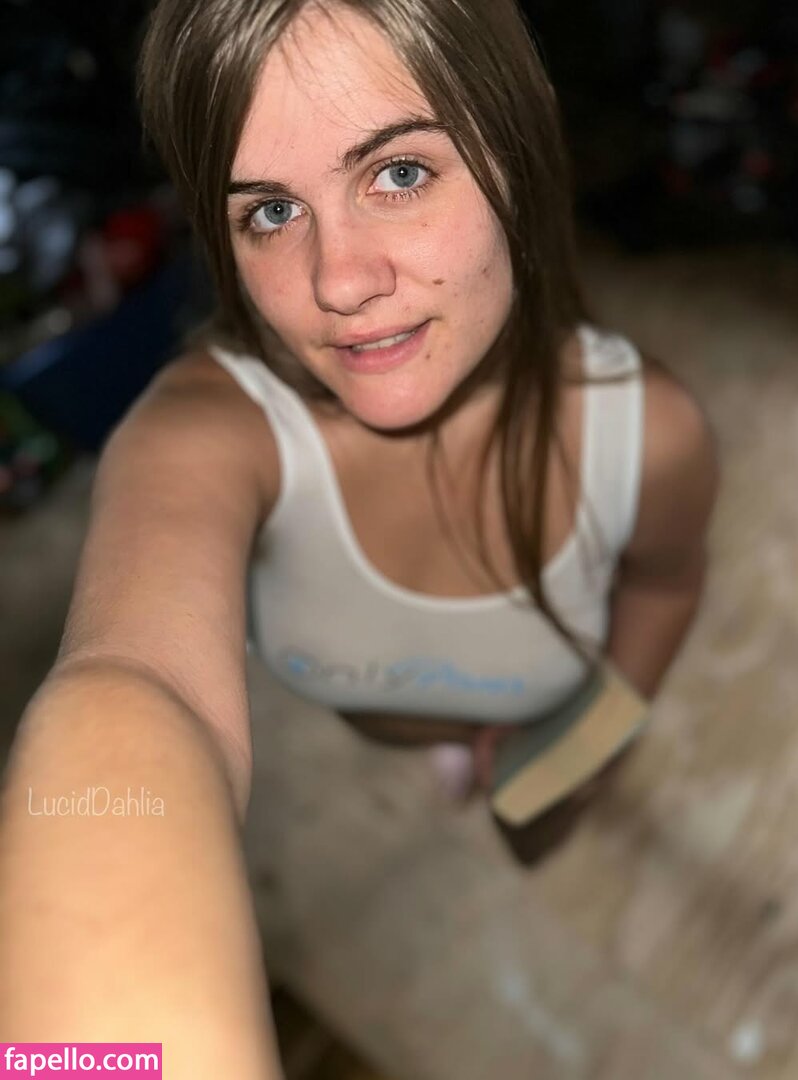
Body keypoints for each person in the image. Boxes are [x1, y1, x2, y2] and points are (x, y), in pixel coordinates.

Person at [0, 0, 718, 1071]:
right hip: (412, 717)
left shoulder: (650, 435)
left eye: (399, 173)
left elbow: (662, 591)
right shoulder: (207, 437)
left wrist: (573, 757)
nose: (338, 280)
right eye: (271, 210)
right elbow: (135, 689)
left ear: (516, 149)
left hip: (542, 709)